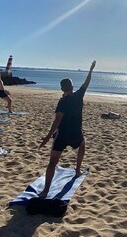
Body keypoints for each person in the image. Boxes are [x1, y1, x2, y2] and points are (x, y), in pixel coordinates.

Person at [37, 61, 96, 198]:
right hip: (75, 132)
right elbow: (87, 82)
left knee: (52, 162)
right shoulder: (79, 95)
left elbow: (57, 121)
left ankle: (45, 191)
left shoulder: (62, 102)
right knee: (82, 145)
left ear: (62, 89)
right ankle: (77, 171)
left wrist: (47, 138)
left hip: (62, 134)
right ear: (72, 86)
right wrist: (91, 69)